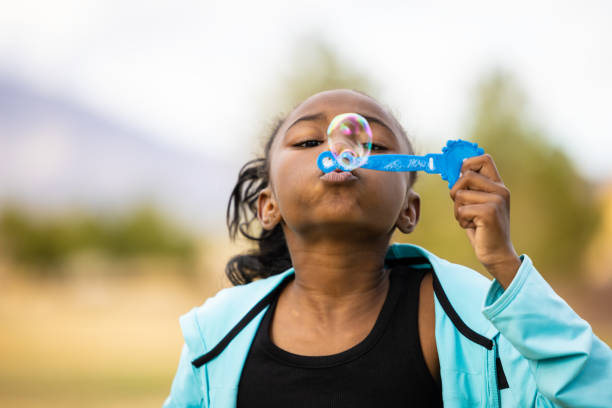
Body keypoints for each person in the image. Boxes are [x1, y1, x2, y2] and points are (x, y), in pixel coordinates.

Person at [163, 89, 612, 407]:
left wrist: (505, 266)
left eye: (370, 144)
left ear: (408, 210)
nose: (340, 147)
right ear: (269, 206)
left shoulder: (484, 324)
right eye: (309, 141)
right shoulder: (213, 340)